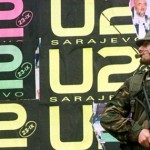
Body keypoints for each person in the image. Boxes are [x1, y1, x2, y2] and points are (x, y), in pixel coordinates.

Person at [100, 30, 150, 150]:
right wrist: (137, 132)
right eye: (140, 45)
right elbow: (108, 116)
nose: (140, 49)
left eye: (146, 44)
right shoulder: (135, 83)